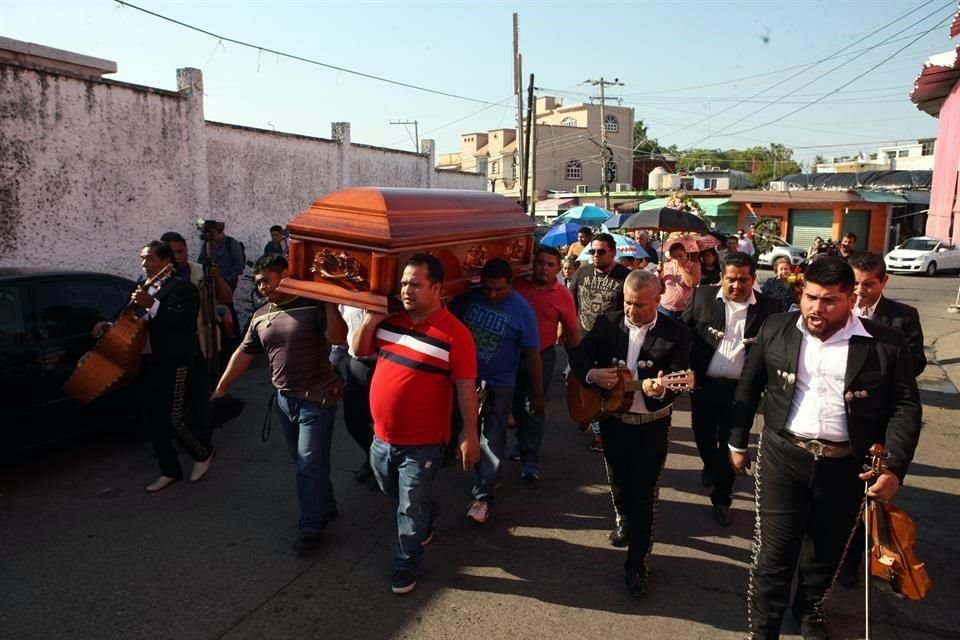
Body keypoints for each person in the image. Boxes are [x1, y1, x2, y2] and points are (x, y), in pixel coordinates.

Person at [729, 257, 922, 640]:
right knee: (774, 555)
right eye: (812, 297)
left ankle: (810, 609)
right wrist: (737, 441)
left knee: (826, 550)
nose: (818, 308)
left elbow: (905, 405)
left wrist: (893, 468)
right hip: (784, 456)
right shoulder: (777, 328)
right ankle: (763, 630)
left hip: (847, 466)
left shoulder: (884, 342)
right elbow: (749, 386)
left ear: (851, 298)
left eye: (830, 300)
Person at [352, 253, 481, 595]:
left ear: (436, 288)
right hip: (381, 437)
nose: (407, 290)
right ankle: (427, 511)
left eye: (415, 284)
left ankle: (406, 561)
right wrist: (371, 318)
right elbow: (359, 349)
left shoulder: (456, 334)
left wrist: (470, 434)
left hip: (423, 441)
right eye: (404, 283)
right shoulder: (391, 322)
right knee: (389, 489)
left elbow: (466, 387)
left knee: (409, 506)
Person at [212, 254, 348, 556]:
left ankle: (311, 527)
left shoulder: (312, 304)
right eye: (258, 282)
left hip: (317, 399)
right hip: (284, 402)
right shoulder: (261, 315)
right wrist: (222, 387)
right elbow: (243, 354)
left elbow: (339, 338)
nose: (262, 287)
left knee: (308, 465)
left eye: (267, 280)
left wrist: (328, 299)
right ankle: (326, 506)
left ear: (285, 275)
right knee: (307, 465)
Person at [569, 269, 692, 598]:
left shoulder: (676, 334)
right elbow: (578, 354)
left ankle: (637, 564)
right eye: (627, 303)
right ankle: (622, 516)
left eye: (640, 305)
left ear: (657, 301)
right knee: (618, 481)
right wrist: (592, 374)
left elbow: (677, 383)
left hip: (651, 426)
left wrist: (658, 390)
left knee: (644, 494)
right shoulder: (607, 322)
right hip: (612, 421)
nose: (631, 311)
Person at [837, 250, 927, 588]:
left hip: (877, 419)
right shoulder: (840, 309)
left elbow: (916, 363)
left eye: (868, 285)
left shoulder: (903, 317)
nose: (860, 292)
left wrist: (885, 354)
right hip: (842, 418)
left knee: (867, 499)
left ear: (883, 282)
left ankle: (858, 559)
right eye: (855, 284)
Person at [681, 252, 780, 526]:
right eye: (731, 280)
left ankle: (722, 497)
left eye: (743, 280)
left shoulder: (770, 308)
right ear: (721, 278)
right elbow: (681, 333)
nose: (737, 286)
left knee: (731, 441)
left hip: (741, 392)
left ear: (753, 279)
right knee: (702, 433)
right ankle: (710, 465)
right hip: (703, 384)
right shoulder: (701, 298)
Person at [450, 259, 542, 522]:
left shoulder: (522, 310)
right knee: (463, 429)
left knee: (492, 435)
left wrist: (537, 395)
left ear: (510, 284)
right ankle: (490, 473)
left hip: (500, 383)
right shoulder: (469, 298)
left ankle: (483, 497)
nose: (491, 294)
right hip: (465, 379)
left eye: (498, 290)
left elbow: (532, 354)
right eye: (487, 288)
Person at [130, 241, 212, 492]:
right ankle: (169, 470)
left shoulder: (183, 288)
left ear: (166, 262)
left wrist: (151, 304)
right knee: (154, 420)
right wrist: (107, 326)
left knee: (175, 418)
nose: (145, 264)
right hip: (149, 362)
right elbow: (133, 322)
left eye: (151, 259)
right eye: (143, 259)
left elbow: (183, 322)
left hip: (176, 361)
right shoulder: (143, 289)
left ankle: (203, 453)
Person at [511, 246, 580, 481]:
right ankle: (520, 443)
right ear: (533, 263)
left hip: (543, 357)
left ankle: (531, 459)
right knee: (515, 404)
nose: (544, 268)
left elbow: (571, 331)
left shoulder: (563, 296)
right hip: (511, 355)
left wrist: (579, 364)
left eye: (550, 264)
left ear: (557, 268)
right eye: (540, 262)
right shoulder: (516, 285)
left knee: (535, 406)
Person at [567, 232, 631, 452]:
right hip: (582, 337)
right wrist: (565, 327)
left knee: (603, 388)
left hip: (610, 340)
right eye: (592, 251)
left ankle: (599, 432)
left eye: (601, 251)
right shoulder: (583, 272)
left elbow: (628, 311)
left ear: (613, 252)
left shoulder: (625, 276)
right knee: (576, 380)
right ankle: (584, 412)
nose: (595, 255)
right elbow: (571, 298)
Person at [337, 304, 377, 483]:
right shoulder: (347, 300)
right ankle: (373, 458)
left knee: (382, 424)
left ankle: (384, 469)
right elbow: (344, 330)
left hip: (384, 364)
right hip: (356, 365)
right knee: (353, 421)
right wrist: (333, 361)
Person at [197, 220, 245, 291]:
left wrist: (229, 277)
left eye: (213, 234)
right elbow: (200, 260)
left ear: (221, 232)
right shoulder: (207, 244)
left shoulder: (232, 244)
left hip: (227, 280)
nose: (211, 237)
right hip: (212, 280)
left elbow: (239, 264)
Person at [658, 241, 700, 319]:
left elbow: (692, 284)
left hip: (684, 309)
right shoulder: (666, 266)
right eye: (675, 257)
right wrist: (659, 273)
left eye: (680, 256)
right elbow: (658, 287)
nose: (678, 259)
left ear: (685, 254)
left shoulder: (693, 266)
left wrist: (680, 267)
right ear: (670, 257)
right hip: (665, 308)